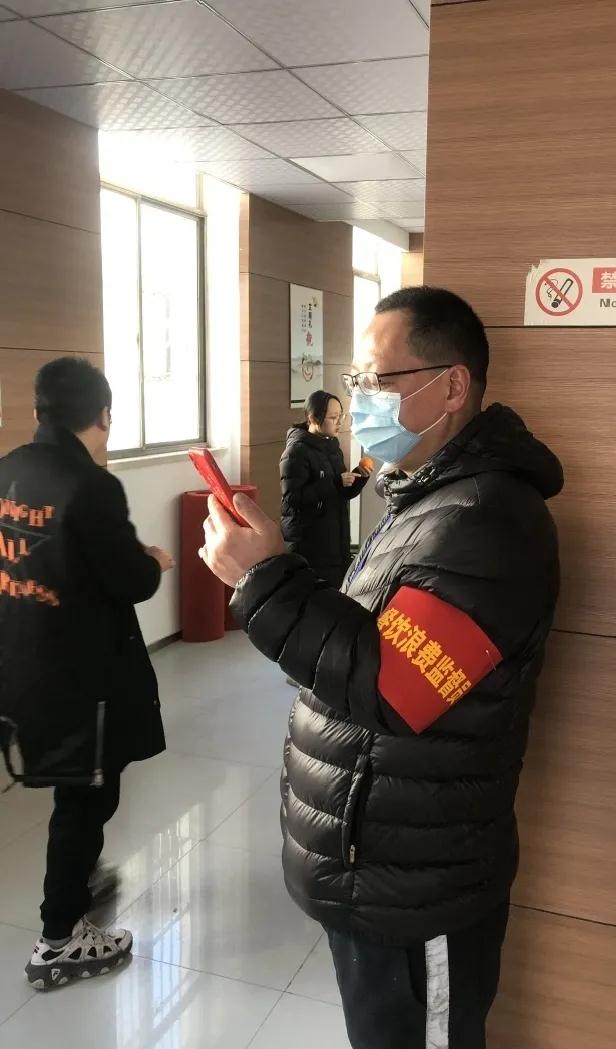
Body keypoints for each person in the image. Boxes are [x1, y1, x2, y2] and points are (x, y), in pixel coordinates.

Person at [200, 286, 563, 1049]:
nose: (360, 397)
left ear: (452, 386)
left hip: (417, 884)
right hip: (382, 866)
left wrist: (263, 581)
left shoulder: (489, 520)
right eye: (356, 379)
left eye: (377, 379)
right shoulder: (425, 499)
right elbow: (368, 645)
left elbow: (396, 687)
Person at [0, 357, 174, 990]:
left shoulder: (8, 468)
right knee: (86, 798)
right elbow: (128, 578)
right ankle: (59, 941)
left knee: (76, 792)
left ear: (38, 410)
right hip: (82, 677)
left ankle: (80, 880)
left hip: (23, 662)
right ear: (104, 415)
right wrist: (154, 561)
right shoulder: (92, 485)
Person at [279, 390, 369, 589]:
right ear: (313, 418)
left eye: (341, 416)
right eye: (333, 417)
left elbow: (340, 492)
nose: (339, 422)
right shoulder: (296, 451)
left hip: (335, 543)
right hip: (309, 546)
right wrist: (334, 483)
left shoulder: (332, 446)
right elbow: (293, 498)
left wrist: (358, 476)